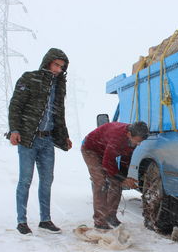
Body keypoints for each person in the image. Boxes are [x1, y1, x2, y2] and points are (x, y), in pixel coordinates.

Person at [8, 48, 72, 235]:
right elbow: (15, 106)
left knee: (47, 181)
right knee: (26, 180)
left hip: (47, 140)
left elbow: (59, 114)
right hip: (28, 139)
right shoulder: (29, 78)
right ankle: (21, 221)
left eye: (62, 67)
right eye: (56, 65)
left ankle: (45, 220)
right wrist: (14, 130)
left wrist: (64, 135)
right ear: (48, 62)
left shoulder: (60, 86)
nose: (58, 70)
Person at [81, 121, 149, 229]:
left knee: (117, 182)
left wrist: (124, 178)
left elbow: (126, 159)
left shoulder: (133, 140)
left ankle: (110, 216)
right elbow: (107, 163)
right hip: (91, 149)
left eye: (140, 142)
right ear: (129, 134)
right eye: (138, 141)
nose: (139, 144)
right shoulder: (117, 137)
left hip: (106, 151)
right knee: (101, 182)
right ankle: (100, 221)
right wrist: (123, 179)